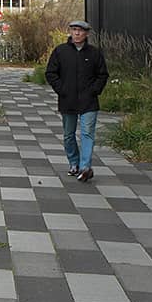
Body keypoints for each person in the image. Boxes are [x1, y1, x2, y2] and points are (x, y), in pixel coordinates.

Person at [45, 19, 109, 182]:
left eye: (80, 30)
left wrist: (94, 90)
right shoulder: (61, 51)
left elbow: (102, 75)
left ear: (86, 33)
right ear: (70, 32)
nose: (77, 33)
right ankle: (74, 163)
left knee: (87, 133)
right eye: (74, 30)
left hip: (89, 101)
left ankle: (85, 167)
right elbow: (51, 73)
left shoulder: (94, 53)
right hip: (68, 100)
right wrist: (62, 89)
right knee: (68, 135)